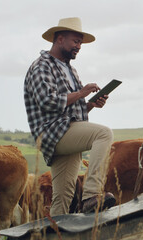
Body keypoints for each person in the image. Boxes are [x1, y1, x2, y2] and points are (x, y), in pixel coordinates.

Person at [24, 17, 116, 216]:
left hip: (65, 131)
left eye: (81, 43)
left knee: (62, 197)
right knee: (104, 134)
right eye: (75, 41)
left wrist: (90, 105)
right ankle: (91, 195)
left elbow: (72, 112)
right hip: (53, 133)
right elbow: (47, 102)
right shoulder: (42, 66)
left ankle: (54, 235)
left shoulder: (70, 70)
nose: (79, 46)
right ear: (59, 39)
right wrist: (82, 93)